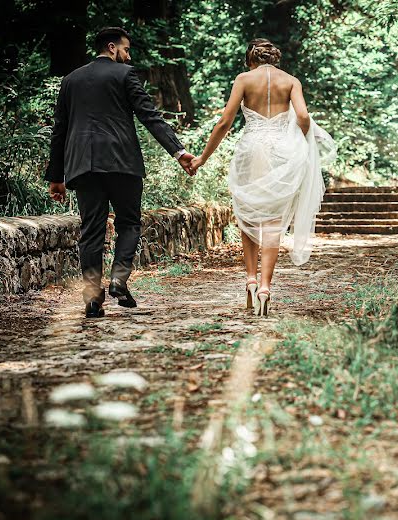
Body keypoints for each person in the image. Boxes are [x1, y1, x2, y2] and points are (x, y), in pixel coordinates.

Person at [45, 27, 196, 318]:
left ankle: (92, 297)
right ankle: (118, 279)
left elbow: (59, 132)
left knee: (91, 231)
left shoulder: (70, 80)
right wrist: (179, 151)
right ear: (112, 48)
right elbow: (149, 115)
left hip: (83, 166)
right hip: (122, 162)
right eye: (126, 50)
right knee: (129, 223)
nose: (128, 56)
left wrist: (56, 176)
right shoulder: (125, 74)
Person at [190, 39, 335, 316]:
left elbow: (225, 122)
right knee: (271, 221)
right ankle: (266, 288)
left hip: (251, 149)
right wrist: (301, 142)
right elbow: (303, 117)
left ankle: (250, 280)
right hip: (281, 152)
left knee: (248, 213)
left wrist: (202, 158)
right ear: (275, 58)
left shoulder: (244, 79)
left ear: (251, 59)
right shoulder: (291, 81)